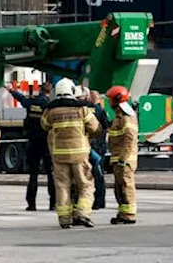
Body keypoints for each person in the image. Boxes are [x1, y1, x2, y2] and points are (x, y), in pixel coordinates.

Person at [42, 78, 100, 228]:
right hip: (79, 154)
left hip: (59, 154)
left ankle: (64, 219)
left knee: (62, 186)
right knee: (85, 185)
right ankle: (82, 213)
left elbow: (45, 125)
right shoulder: (81, 109)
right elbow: (94, 127)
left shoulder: (51, 110)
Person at [8, 80, 54, 211]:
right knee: (51, 173)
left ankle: (31, 204)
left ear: (40, 90)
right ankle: (53, 203)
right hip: (45, 142)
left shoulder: (31, 102)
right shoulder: (48, 105)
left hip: (33, 141)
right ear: (49, 92)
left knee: (33, 173)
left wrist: (12, 91)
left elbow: (21, 99)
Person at [105, 86, 138, 225]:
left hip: (124, 160)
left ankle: (129, 214)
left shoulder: (126, 117)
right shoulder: (119, 116)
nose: (110, 103)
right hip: (119, 159)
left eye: (111, 100)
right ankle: (123, 213)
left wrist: (123, 159)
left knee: (126, 186)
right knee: (119, 187)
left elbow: (130, 139)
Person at [87, 90, 109, 210]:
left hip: (92, 146)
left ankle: (96, 201)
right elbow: (106, 126)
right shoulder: (101, 110)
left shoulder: (88, 110)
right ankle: (101, 201)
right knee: (99, 175)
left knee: (93, 175)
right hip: (100, 146)